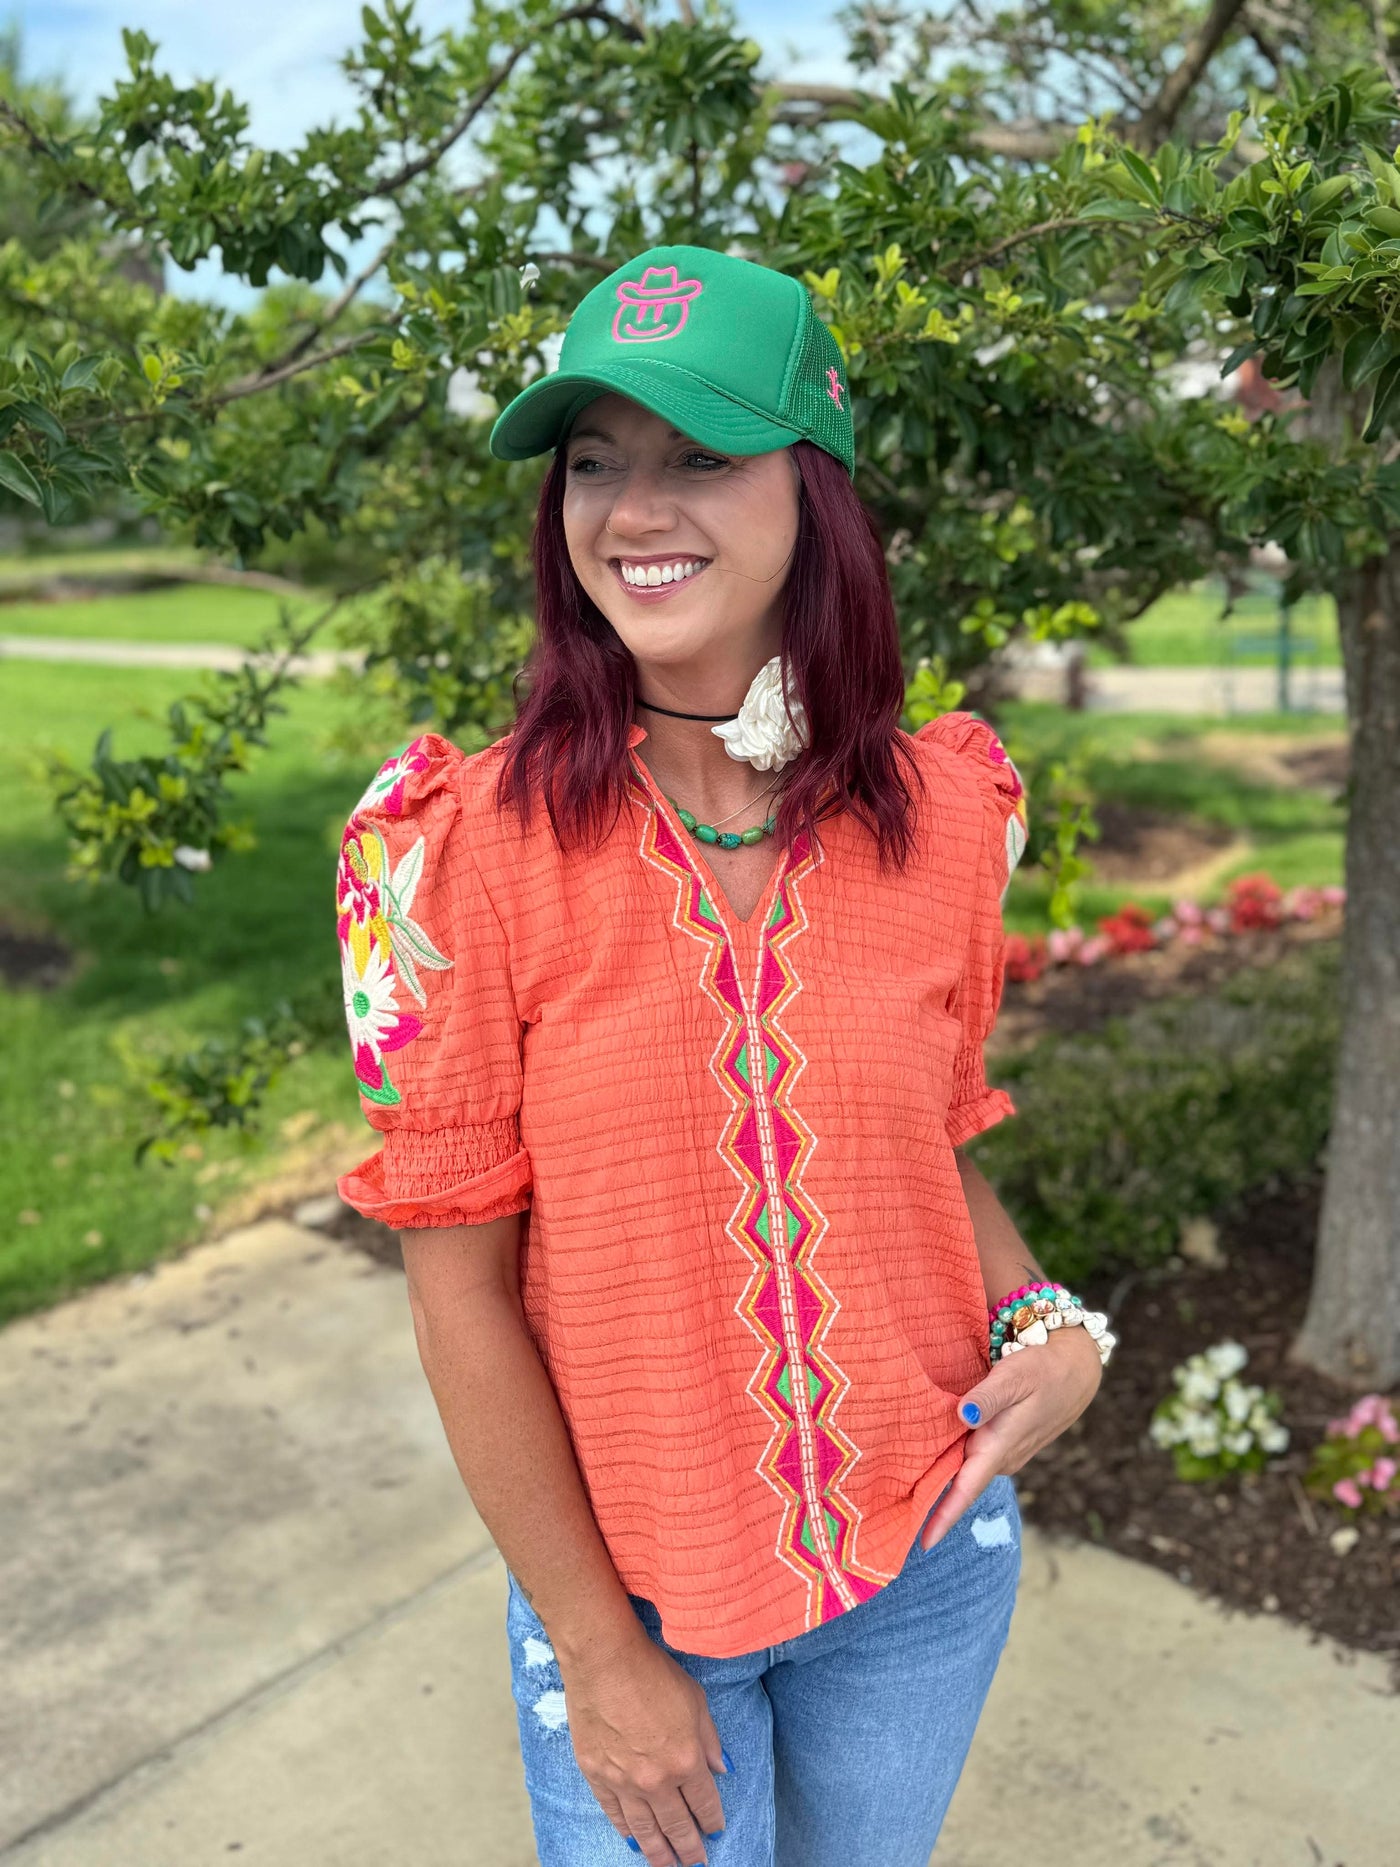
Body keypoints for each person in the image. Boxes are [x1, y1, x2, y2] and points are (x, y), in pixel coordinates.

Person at [334, 244, 1113, 1867]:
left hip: (924, 1573)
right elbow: (457, 1286)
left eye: (700, 453)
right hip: (635, 1607)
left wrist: (1055, 1326)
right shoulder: (444, 856)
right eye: (596, 461)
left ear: (810, 487)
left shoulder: (958, 814)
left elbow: (926, 1145)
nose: (634, 508)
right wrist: (603, 1656)